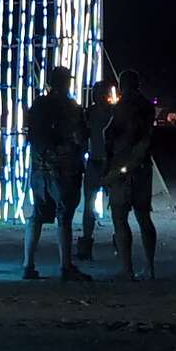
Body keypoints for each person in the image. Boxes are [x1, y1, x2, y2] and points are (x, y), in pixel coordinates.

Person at [23, 66, 90, 281]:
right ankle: (65, 265)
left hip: (38, 167)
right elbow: (80, 137)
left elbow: (30, 133)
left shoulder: (38, 105)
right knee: (64, 217)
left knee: (36, 216)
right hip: (64, 169)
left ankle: (28, 265)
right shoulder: (71, 108)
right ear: (66, 83)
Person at [103, 69, 157, 280]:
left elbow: (112, 135)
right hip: (142, 168)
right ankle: (149, 266)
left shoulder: (121, 108)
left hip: (122, 167)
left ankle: (127, 269)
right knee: (144, 217)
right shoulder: (146, 107)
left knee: (120, 218)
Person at [76, 80, 115, 260]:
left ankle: (87, 242)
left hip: (100, 161)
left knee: (92, 204)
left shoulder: (91, 113)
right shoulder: (108, 113)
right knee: (106, 204)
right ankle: (117, 243)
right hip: (101, 161)